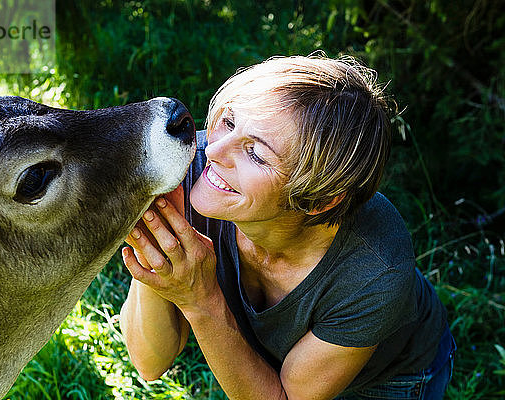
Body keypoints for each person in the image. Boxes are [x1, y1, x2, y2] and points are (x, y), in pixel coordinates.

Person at [119, 55, 456, 399]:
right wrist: (159, 250)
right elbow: (149, 364)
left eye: (256, 153)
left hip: (390, 376)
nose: (214, 150)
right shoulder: (193, 172)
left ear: (318, 202)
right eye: (230, 122)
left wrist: (200, 299)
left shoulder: (375, 273)